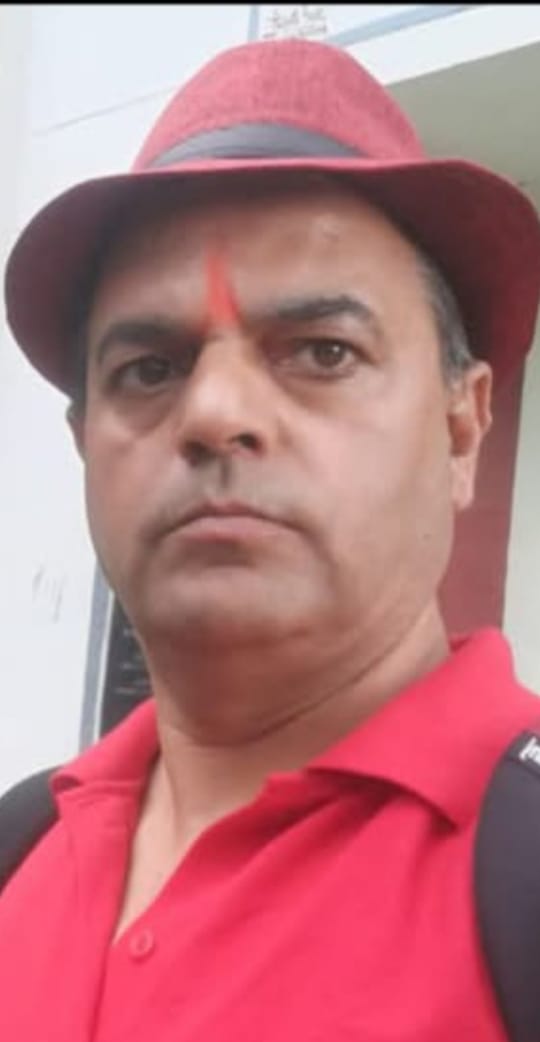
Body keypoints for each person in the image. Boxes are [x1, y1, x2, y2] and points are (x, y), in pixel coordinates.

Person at [1, 36, 540, 1042]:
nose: (214, 413)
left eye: (323, 352)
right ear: (84, 445)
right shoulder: (22, 846)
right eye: (150, 369)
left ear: (462, 429)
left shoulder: (520, 879)